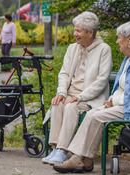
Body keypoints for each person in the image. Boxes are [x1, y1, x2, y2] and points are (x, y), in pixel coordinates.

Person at [53, 21, 130, 173]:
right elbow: (122, 87)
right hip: (126, 104)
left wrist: (115, 101)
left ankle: (79, 158)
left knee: (96, 116)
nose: (117, 41)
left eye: (119, 38)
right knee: (93, 113)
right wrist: (113, 99)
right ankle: (84, 158)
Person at [41, 11, 112, 165]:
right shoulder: (72, 48)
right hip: (71, 93)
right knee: (57, 103)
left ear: (90, 32)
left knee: (71, 107)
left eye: (78, 31)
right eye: (75, 30)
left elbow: (101, 80)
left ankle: (63, 150)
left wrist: (80, 97)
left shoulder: (104, 49)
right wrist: (61, 92)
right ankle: (55, 148)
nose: (75, 34)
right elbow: (64, 73)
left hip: (90, 97)